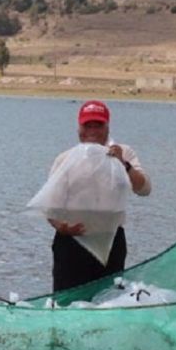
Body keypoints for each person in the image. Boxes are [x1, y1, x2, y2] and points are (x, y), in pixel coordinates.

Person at [49, 100, 151, 292]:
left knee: (108, 301)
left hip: (110, 240)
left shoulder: (124, 153)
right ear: (79, 128)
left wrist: (124, 164)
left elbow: (144, 189)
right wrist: (61, 226)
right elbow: (50, 206)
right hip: (72, 242)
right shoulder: (64, 158)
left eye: (99, 125)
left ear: (108, 127)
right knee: (66, 304)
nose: (93, 131)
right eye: (88, 125)